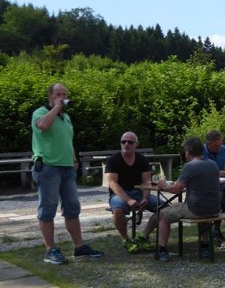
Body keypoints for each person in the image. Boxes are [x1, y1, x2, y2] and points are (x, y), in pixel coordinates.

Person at [31, 83, 104, 264]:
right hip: (48, 167)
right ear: (50, 95)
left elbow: (67, 141)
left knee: (72, 208)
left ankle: (79, 247)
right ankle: (50, 250)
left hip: (67, 168)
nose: (62, 97)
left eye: (64, 94)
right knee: (47, 209)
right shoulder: (40, 112)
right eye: (58, 94)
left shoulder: (66, 117)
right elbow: (43, 126)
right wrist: (56, 107)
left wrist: (74, 159)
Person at [155, 137, 221, 262]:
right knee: (203, 211)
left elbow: (176, 189)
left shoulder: (190, 166)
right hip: (215, 209)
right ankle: (205, 247)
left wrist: (163, 185)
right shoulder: (213, 164)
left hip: (195, 209)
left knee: (163, 214)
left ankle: (162, 250)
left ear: (188, 152)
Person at [105, 131, 159, 250]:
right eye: (123, 141)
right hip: (119, 194)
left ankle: (144, 236)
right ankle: (126, 239)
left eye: (130, 142)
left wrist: (145, 198)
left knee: (164, 208)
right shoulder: (113, 160)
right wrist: (128, 200)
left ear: (136, 145)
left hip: (139, 192)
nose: (126, 144)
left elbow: (147, 181)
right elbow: (113, 184)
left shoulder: (142, 160)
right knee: (118, 210)